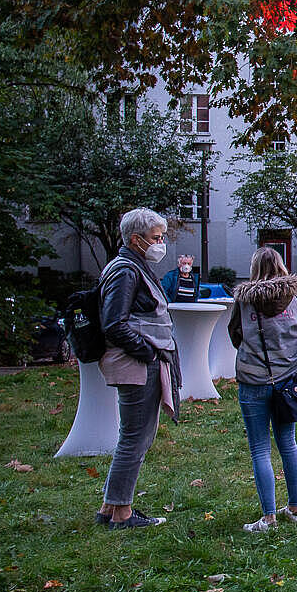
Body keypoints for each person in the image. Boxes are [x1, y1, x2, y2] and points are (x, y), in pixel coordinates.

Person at [96, 208, 181, 530]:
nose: (161, 244)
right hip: (135, 364)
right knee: (135, 438)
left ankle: (110, 506)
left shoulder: (134, 266)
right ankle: (122, 513)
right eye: (157, 238)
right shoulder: (125, 270)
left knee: (135, 436)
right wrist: (147, 353)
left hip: (141, 361)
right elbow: (114, 323)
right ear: (136, 239)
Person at [228, 247, 297, 532]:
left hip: (253, 380)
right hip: (288, 381)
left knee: (260, 448)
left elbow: (235, 334)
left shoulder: (244, 302)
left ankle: (269, 517)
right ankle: (295, 509)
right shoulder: (293, 298)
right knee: (288, 443)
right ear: (281, 265)